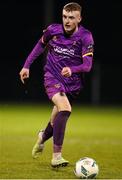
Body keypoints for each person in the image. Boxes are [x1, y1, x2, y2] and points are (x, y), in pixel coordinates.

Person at [19, 2, 94, 168]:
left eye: (71, 18)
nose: (67, 21)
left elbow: (87, 66)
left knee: (55, 120)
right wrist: (26, 65)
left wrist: (73, 69)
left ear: (79, 18)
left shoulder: (85, 36)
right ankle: (56, 157)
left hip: (73, 84)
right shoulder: (53, 30)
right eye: (64, 17)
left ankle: (42, 137)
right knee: (65, 109)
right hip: (52, 77)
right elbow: (39, 45)